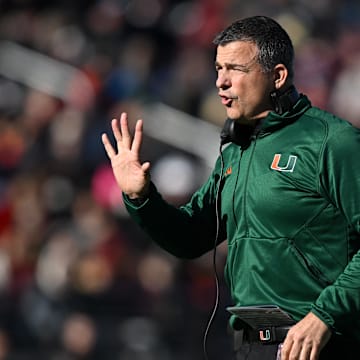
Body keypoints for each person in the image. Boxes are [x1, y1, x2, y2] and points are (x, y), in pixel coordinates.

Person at [101, 15, 360, 360]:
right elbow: (190, 238)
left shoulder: (334, 142)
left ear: (278, 77)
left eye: (235, 69)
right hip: (253, 345)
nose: (221, 82)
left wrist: (325, 315)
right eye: (218, 69)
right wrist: (141, 197)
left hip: (323, 345)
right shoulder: (234, 152)